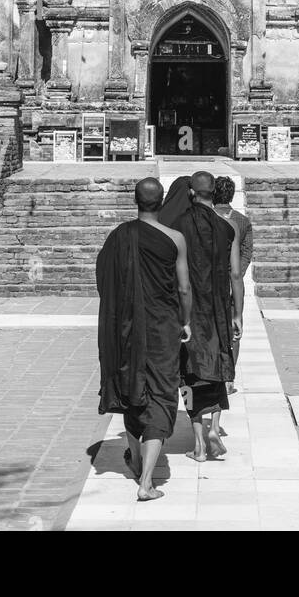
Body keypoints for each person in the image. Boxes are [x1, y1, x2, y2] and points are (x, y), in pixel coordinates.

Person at [96, 177, 192, 502]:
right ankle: (147, 482)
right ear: (161, 201)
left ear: (135, 201)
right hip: (164, 328)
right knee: (163, 395)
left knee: (132, 387)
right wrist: (186, 321)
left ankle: (134, 458)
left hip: (127, 328)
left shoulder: (118, 237)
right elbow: (183, 288)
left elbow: (103, 278)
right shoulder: (175, 238)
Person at [163, 170, 244, 463]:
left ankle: (198, 444)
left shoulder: (176, 226)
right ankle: (214, 428)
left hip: (189, 311)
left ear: (191, 193)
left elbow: (172, 274)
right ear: (215, 193)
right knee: (219, 364)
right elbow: (235, 274)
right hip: (219, 308)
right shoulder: (228, 227)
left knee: (190, 371)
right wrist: (237, 314)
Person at [212, 175, 254, 394]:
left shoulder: (205, 218)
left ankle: (210, 374)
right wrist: (235, 272)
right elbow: (247, 252)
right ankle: (229, 379)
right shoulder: (241, 220)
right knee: (233, 331)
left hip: (208, 283)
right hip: (232, 283)